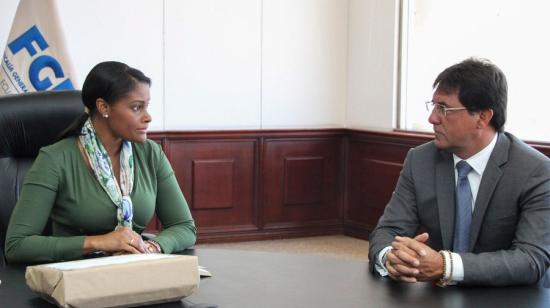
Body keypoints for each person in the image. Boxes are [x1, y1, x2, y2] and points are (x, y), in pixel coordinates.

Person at [368, 58, 550, 286]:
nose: (432, 118)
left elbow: (531, 260)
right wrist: (391, 258)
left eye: (443, 108)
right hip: (440, 298)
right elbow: (389, 230)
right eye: (433, 106)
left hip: (510, 297)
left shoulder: (535, 170)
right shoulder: (420, 160)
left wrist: (446, 266)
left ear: (482, 118)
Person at [5, 61, 196, 263]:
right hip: (74, 278)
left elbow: (184, 227)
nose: (148, 117)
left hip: (134, 270)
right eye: (136, 107)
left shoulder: (151, 153)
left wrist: (150, 247)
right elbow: (17, 246)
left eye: (146, 106)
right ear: (103, 107)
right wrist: (100, 242)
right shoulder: (54, 159)